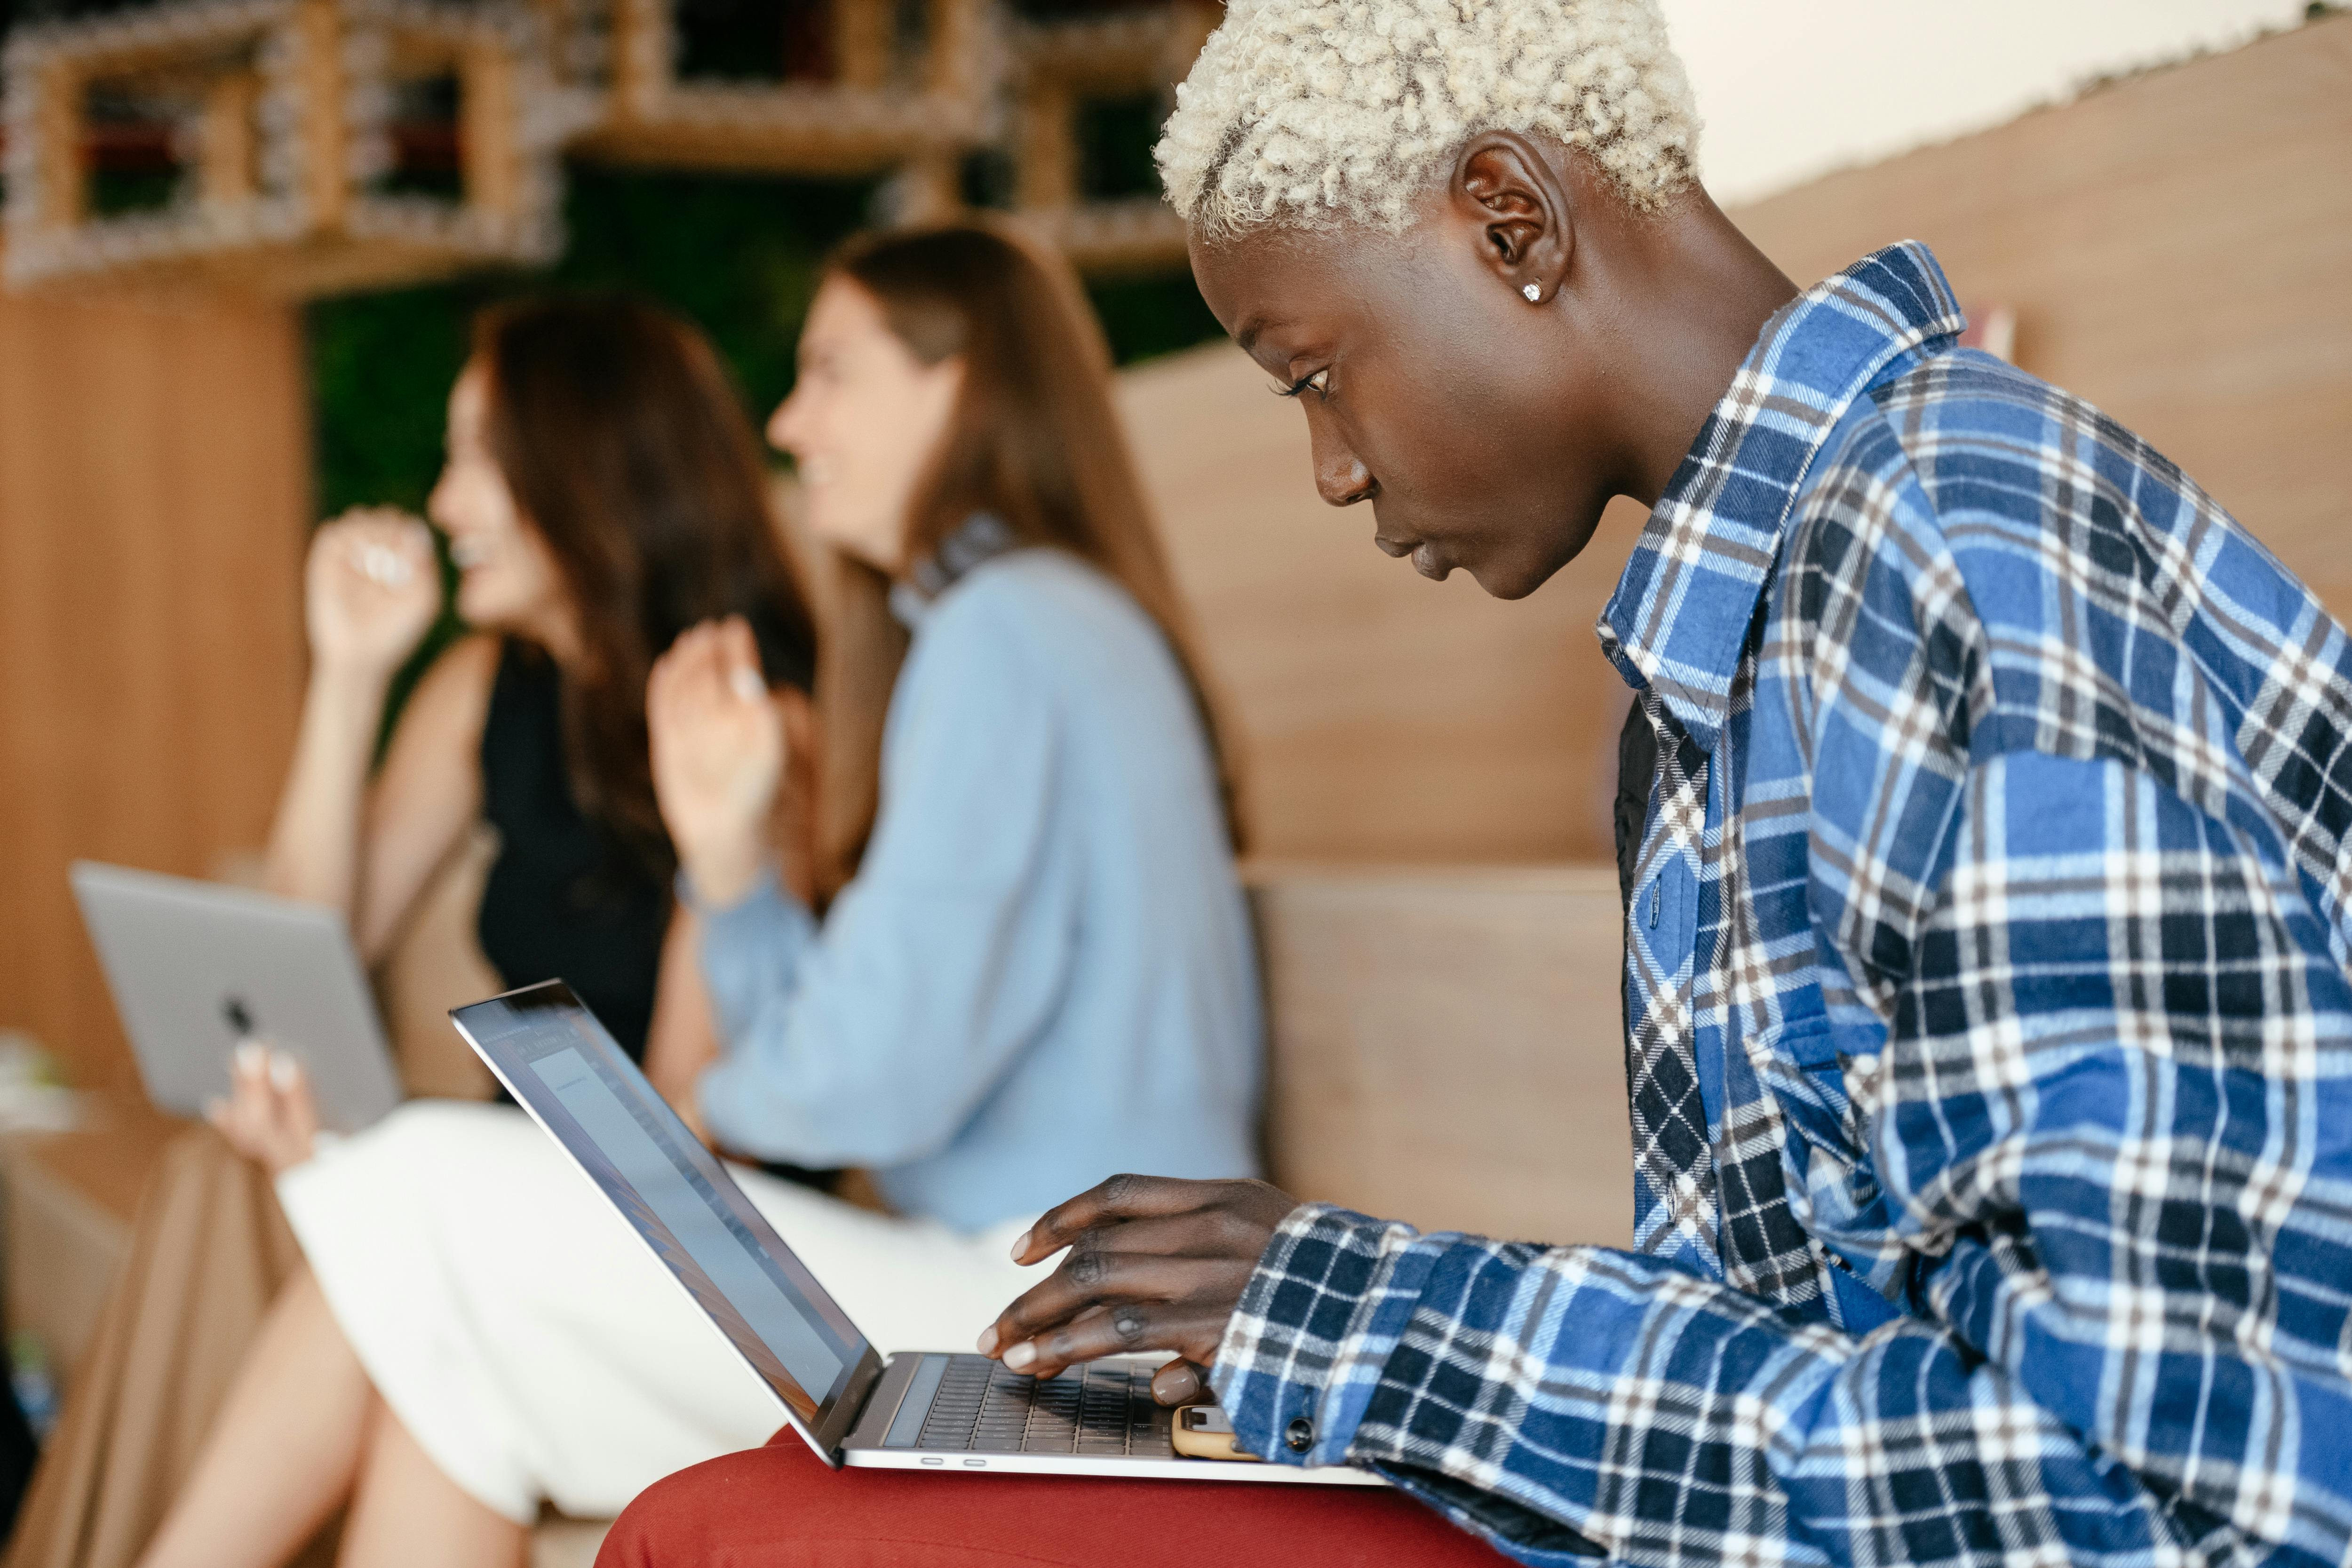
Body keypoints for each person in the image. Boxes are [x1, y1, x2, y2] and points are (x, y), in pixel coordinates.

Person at [600, 3, 2352, 1566]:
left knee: (734, 1535)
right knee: (762, 1508)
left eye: (1315, 373)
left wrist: (1375, 1313)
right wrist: (1331, 1292)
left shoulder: (1955, 555)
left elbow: (2155, 1493)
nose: (1332, 470)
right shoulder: (1752, 617)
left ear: (1511, 223)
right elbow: (1794, 1325)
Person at [133, 223, 1263, 1568]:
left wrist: (679, 1107)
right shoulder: (1035, 623)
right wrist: (728, 879)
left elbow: (875, 1080)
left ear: (957, 382)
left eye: (832, 370)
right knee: (456, 1371)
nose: (790, 421)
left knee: (416, 1177)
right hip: (1045, 1304)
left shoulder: (1006, 629)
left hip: (1057, 1334)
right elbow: (878, 1038)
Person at [6, 295, 819, 1568]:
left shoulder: (747, 717)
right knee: (221, 1177)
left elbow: (682, 1134)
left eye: (476, 458)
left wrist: (382, 1176)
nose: (445, 507)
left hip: (680, 1227)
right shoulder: (489, 684)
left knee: (366, 1253)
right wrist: (346, 677)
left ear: (588, 461)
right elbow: (297, 955)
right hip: (521, 1186)